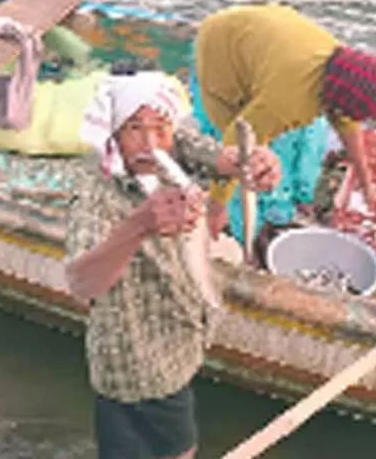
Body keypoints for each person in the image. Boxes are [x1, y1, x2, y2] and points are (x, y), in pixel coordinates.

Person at [65, 69, 279, 459]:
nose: (150, 143)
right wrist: (138, 226)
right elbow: (81, 284)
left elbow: (219, 156)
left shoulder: (171, 145)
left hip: (182, 340)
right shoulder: (96, 190)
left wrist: (255, 163)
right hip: (139, 365)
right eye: (133, 129)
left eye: (160, 127)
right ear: (112, 133)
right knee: (176, 449)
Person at [189, 3, 376, 244]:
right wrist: (217, 206)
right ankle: (244, 231)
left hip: (258, 37)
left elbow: (348, 126)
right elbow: (235, 146)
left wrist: (367, 184)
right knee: (248, 160)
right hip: (219, 47)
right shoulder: (287, 101)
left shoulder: (344, 73)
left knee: (275, 147)